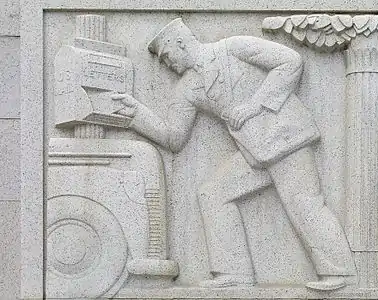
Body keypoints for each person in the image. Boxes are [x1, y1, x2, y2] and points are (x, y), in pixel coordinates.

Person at [111, 18, 356, 291]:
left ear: (180, 43)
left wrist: (255, 105)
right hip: (255, 154)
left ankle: (342, 275)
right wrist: (136, 116)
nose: (167, 64)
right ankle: (234, 273)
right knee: (213, 193)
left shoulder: (234, 47)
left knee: (305, 204)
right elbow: (173, 138)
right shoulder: (188, 89)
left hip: (287, 139)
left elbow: (290, 61)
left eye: (167, 56)